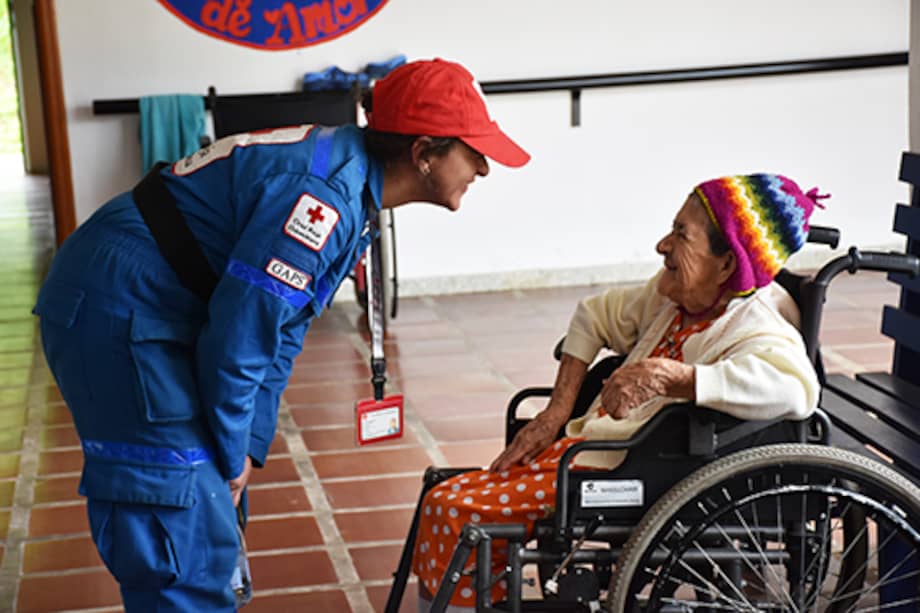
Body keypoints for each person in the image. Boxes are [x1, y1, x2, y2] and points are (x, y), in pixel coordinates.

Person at [32, 58, 529, 612]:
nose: (484, 168)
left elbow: (281, 331)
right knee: (174, 507)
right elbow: (240, 341)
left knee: (213, 503)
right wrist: (228, 451)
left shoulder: (350, 182)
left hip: (156, 304)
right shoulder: (321, 197)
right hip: (115, 308)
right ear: (423, 153)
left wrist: (244, 447)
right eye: (474, 150)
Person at [412, 173, 824, 610]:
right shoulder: (675, 298)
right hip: (584, 449)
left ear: (727, 265)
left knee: (454, 511)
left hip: (625, 472)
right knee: (444, 494)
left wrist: (673, 377)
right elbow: (595, 315)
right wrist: (555, 412)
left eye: (681, 235)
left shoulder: (756, 325)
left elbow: (796, 387)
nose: (662, 246)